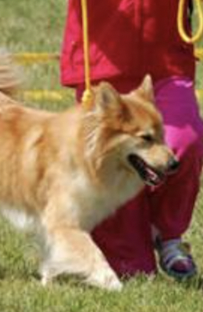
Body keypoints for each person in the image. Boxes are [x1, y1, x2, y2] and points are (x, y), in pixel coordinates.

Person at [60, 0, 203, 279]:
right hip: (101, 62)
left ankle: (166, 233)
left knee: (186, 142)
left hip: (165, 58)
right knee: (112, 159)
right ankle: (128, 255)